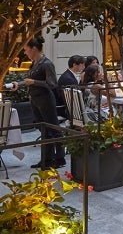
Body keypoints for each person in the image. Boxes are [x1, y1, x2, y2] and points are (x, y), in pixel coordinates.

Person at [9, 36, 65, 168]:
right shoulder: (35, 63)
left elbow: (52, 84)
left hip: (45, 100)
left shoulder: (46, 63)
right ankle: (47, 159)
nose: (25, 52)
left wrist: (34, 82)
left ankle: (59, 158)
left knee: (53, 128)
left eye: (26, 49)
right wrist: (19, 84)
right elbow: (29, 80)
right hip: (36, 100)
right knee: (44, 130)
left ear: (33, 49)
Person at [56, 55, 86, 119]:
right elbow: (72, 98)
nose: (83, 67)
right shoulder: (68, 78)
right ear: (74, 65)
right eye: (82, 65)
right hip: (67, 110)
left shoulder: (69, 75)